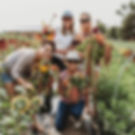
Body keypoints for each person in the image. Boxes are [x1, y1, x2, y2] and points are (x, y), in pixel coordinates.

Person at [55, 51, 88, 131]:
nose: (72, 64)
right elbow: (59, 91)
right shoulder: (62, 75)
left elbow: (86, 92)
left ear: (78, 63)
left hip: (77, 101)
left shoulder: (82, 75)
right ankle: (65, 114)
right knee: (59, 126)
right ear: (66, 62)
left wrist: (87, 106)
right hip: (65, 101)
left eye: (75, 62)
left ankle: (73, 114)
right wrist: (65, 87)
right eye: (70, 61)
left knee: (76, 113)